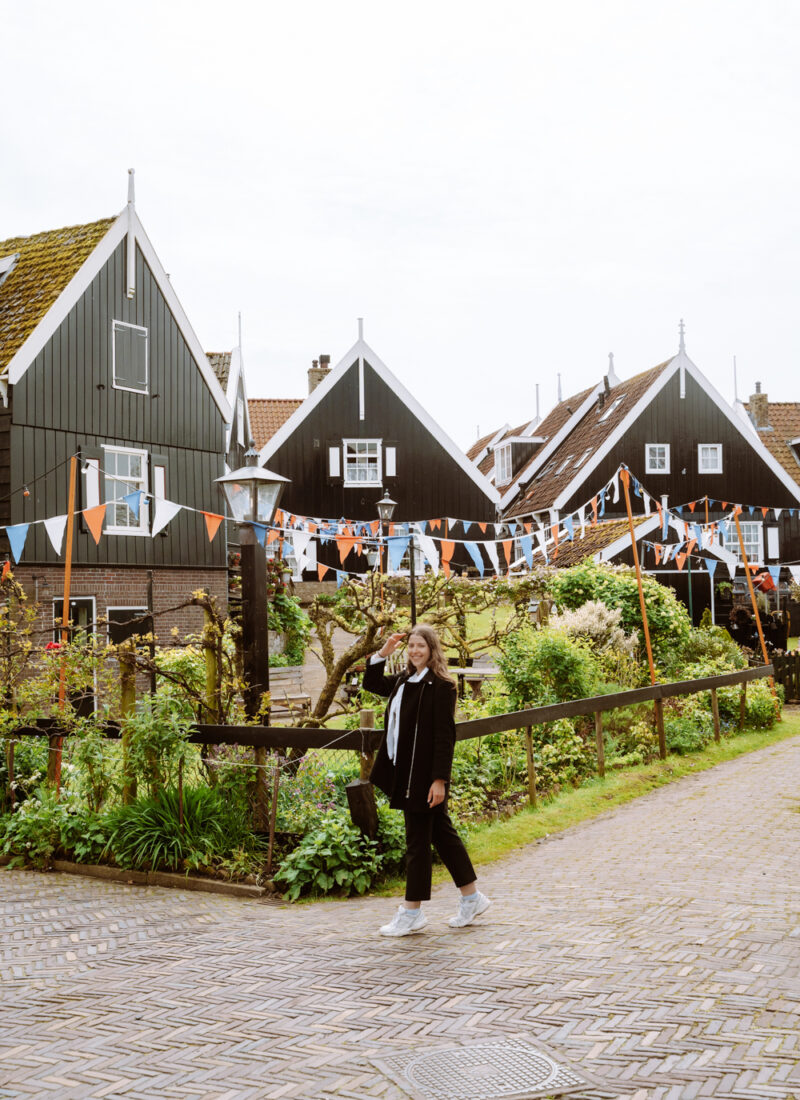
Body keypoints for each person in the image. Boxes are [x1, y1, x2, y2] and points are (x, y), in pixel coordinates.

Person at [363, 623, 491, 937]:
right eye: (411, 646)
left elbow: (444, 738)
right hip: (404, 773)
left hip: (422, 779)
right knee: (443, 838)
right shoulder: (404, 680)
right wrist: (384, 652)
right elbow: (371, 683)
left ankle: (412, 912)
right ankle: (472, 898)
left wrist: (439, 780)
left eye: (421, 646)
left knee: (417, 843)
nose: (415, 651)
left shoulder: (442, 686)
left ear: (432, 650)